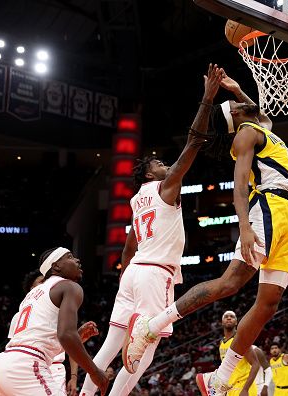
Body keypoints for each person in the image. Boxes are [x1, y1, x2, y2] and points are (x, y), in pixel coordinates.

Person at [125, 70, 288, 396]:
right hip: (269, 208)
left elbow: (256, 109)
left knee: (268, 304)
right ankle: (152, 326)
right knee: (231, 282)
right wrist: (245, 227)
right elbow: (238, 187)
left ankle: (220, 378)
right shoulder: (246, 135)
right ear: (236, 115)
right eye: (235, 103)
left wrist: (235, 87)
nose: (239, 101)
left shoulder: (262, 128)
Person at [79, 64, 224, 396]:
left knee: (111, 346)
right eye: (158, 163)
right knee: (146, 348)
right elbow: (194, 141)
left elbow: (129, 248)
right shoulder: (165, 187)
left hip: (133, 273)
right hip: (155, 273)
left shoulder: (135, 200)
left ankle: (85, 395)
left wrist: (124, 280)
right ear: (149, 174)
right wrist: (207, 99)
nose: (165, 164)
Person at [0, 248, 109, 395]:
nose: (77, 260)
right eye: (70, 257)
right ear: (56, 266)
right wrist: (95, 372)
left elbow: (38, 337)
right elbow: (66, 335)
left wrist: (76, 336)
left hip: (2, 364)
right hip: (27, 366)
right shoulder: (69, 286)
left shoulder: (31, 295)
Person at [9, 270, 99, 396]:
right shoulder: (20, 316)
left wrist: (73, 377)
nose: (46, 284)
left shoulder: (58, 309)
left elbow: (71, 346)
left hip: (54, 368)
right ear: (32, 289)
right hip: (33, 364)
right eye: (41, 282)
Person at [218, 310, 270, 396]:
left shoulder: (241, 339)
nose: (229, 318)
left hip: (243, 387)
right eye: (226, 317)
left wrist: (245, 389)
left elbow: (255, 364)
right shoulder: (221, 343)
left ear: (236, 322)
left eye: (232, 316)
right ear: (222, 322)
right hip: (231, 388)